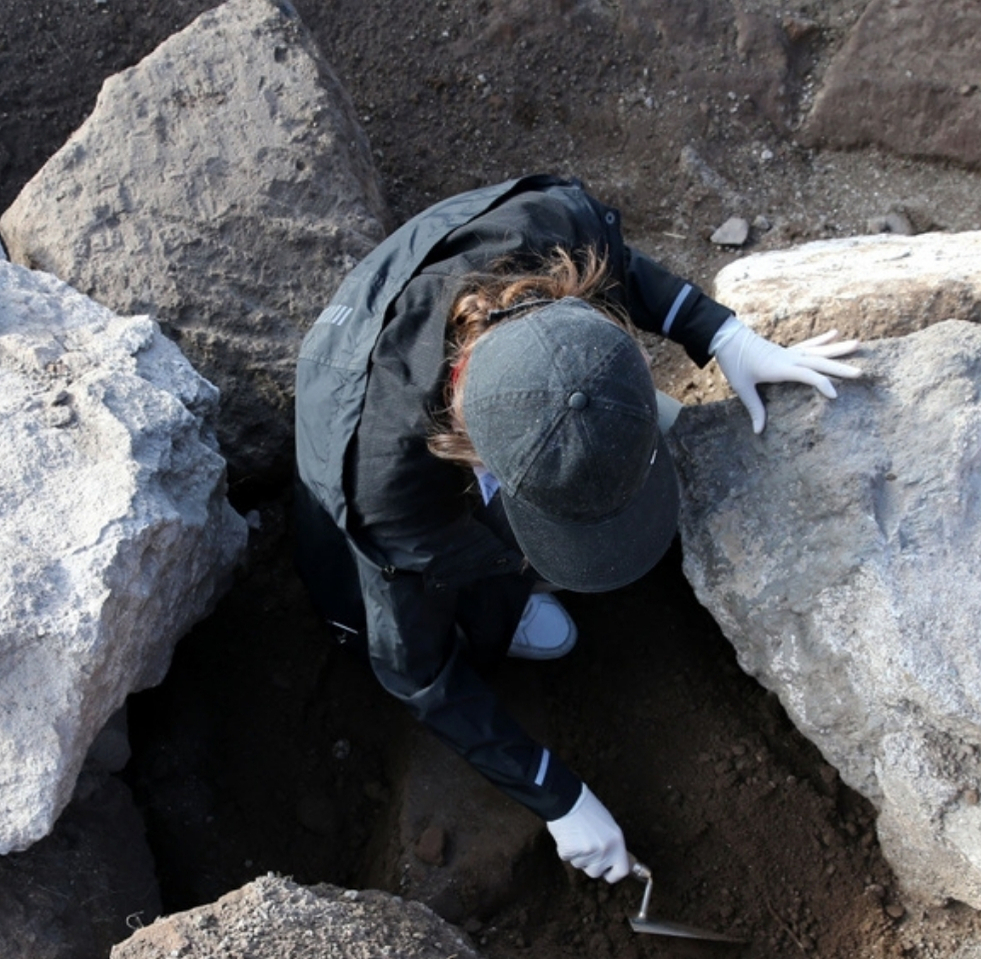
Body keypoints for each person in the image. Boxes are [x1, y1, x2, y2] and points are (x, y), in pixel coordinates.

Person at [293, 174, 858, 885]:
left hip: (471, 335)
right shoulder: (388, 494)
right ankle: (501, 594)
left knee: (601, 432)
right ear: (477, 453)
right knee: (418, 592)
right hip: (345, 411)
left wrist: (722, 333)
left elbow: (628, 273)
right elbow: (415, 668)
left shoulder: (555, 228)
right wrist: (555, 795)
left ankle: (578, 451)